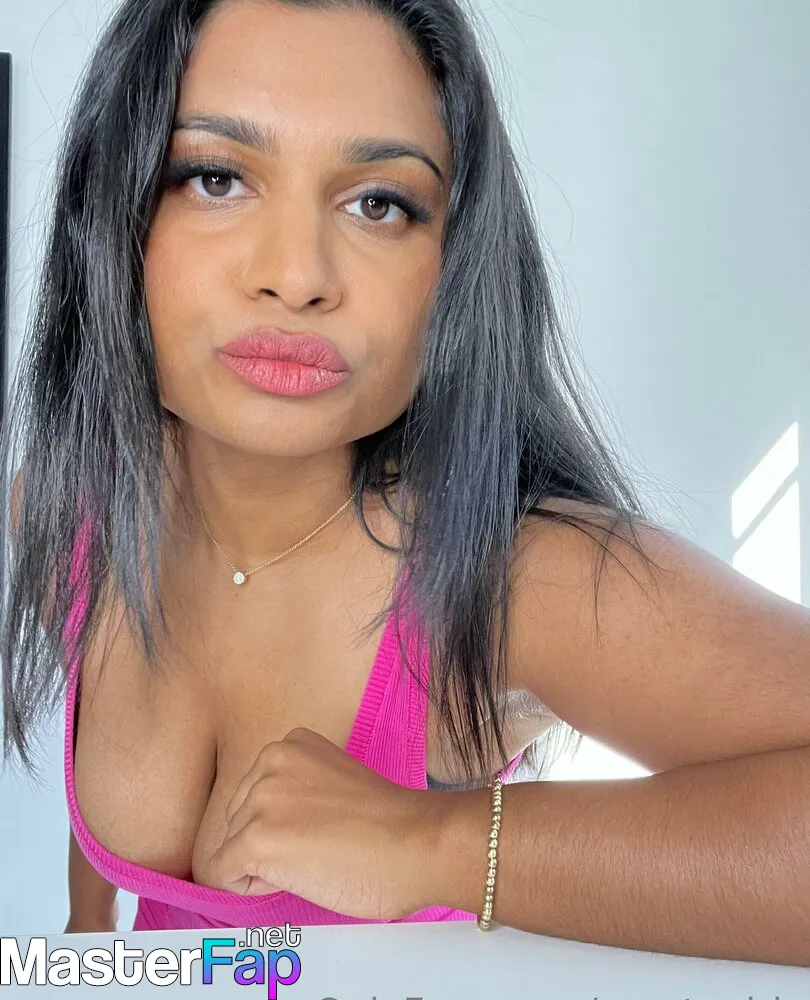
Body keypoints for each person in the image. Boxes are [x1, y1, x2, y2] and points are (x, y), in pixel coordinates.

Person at [2, 0, 808, 967]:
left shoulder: (509, 581)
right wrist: (88, 945)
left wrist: (439, 846)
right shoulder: (70, 513)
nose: (297, 274)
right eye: (216, 178)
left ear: (451, 264)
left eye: (379, 203)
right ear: (115, 215)